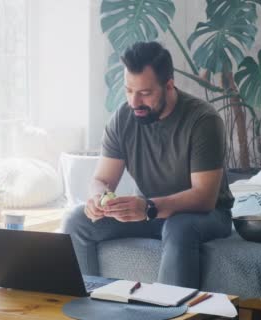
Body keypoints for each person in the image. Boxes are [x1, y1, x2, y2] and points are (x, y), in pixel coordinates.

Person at [62, 41, 234, 289]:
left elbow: (205, 197)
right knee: (76, 220)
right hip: (149, 212)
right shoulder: (123, 118)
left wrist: (149, 208)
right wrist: (98, 199)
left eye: (145, 93)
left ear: (169, 85)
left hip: (206, 215)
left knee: (179, 228)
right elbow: (102, 180)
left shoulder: (203, 121)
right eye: (129, 90)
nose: (134, 101)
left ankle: (169, 312)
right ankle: (86, 307)